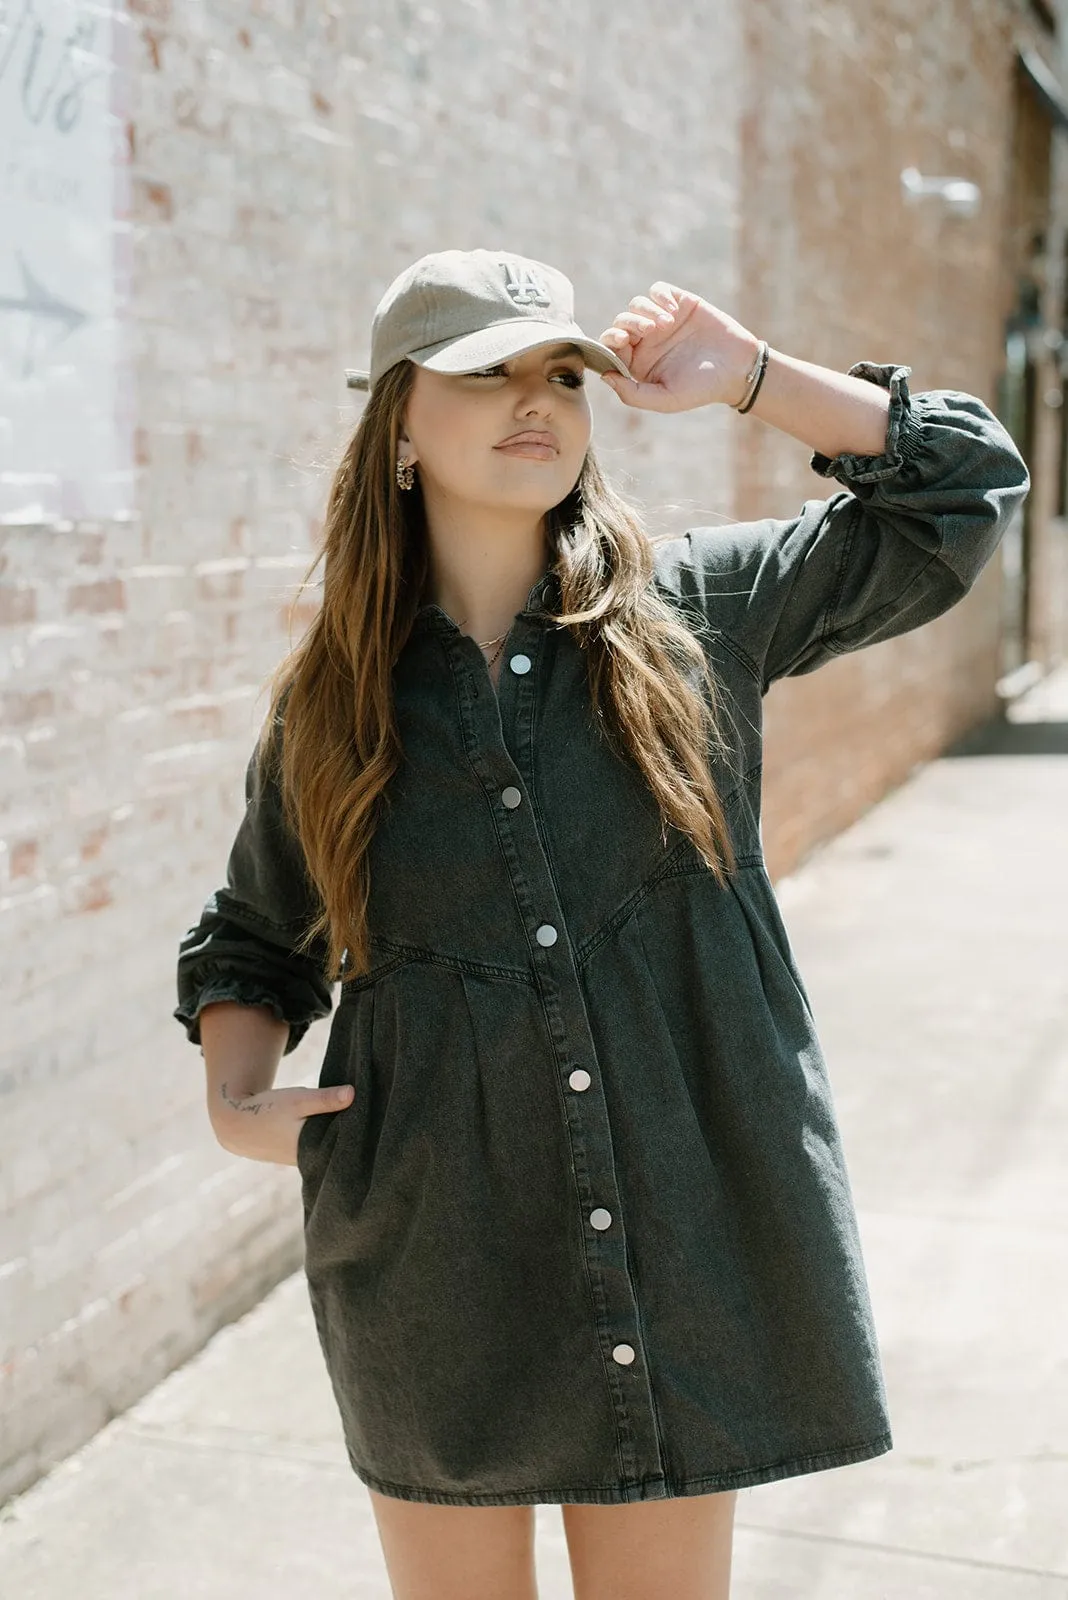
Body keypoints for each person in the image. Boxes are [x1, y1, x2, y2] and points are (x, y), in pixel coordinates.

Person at [174, 247, 1030, 1600]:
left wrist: (751, 376)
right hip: (434, 1256)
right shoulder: (334, 701)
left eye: (561, 371)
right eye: (487, 373)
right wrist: (235, 1095)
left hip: (684, 1244)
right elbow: (254, 935)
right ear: (398, 425)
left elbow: (963, 496)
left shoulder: (701, 614)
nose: (538, 399)